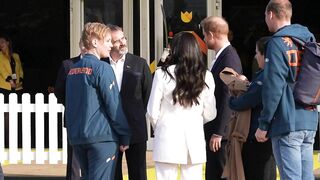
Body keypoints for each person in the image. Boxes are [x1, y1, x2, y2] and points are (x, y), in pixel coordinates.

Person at [255, 0, 318, 179]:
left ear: (270, 14)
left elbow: (272, 87)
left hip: (287, 120)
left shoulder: (276, 43)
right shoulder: (308, 38)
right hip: (309, 118)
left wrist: (264, 124)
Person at [146, 31, 217, 180]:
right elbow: (210, 113)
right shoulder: (206, 75)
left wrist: (160, 126)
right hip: (194, 137)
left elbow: (152, 111)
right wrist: (196, 120)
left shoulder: (161, 74)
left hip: (166, 137)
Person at [65, 22, 131, 180]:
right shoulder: (102, 68)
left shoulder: (72, 70)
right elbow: (113, 105)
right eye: (107, 41)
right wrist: (125, 135)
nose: (110, 46)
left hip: (78, 138)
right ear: (95, 42)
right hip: (102, 138)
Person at [101, 24, 152, 180]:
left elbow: (147, 95)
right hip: (108, 130)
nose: (123, 42)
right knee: (111, 175)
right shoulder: (101, 64)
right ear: (108, 42)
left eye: (123, 38)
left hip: (135, 129)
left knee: (138, 174)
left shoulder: (140, 63)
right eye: (117, 40)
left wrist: (134, 115)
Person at [200, 16, 242, 179]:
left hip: (221, 134)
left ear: (211, 35)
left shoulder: (228, 57)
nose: (204, 39)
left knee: (220, 173)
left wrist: (219, 132)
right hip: (218, 132)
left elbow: (227, 95)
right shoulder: (223, 56)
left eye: (204, 35)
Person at [229, 37, 276, 180]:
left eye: (257, 53)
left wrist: (231, 100)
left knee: (257, 172)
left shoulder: (265, 76)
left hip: (257, 135)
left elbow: (249, 100)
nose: (255, 57)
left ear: (265, 55)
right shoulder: (274, 74)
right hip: (268, 134)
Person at [54, 40, 85, 180]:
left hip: (97, 121)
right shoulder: (68, 65)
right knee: (73, 159)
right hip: (74, 118)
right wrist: (73, 105)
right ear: (81, 45)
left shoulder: (103, 64)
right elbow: (59, 91)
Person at [0, 33, 24, 148]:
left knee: (15, 114)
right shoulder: (0, 56)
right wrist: (10, 81)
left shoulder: (16, 56)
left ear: (8, 43)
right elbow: (2, 70)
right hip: (5, 88)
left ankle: (15, 140)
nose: (1, 45)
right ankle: (5, 141)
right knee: (5, 115)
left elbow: (20, 71)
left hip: (17, 88)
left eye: (2, 42)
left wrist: (20, 81)